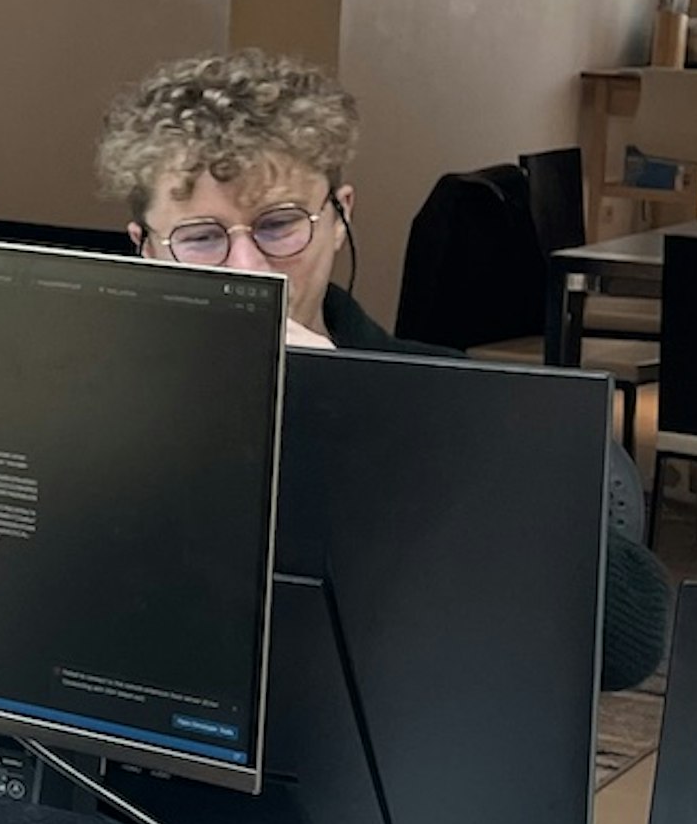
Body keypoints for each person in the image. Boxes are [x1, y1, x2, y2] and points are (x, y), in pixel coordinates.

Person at [95, 51, 668, 689]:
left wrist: (376, 417)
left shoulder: (455, 397)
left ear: (339, 218)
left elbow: (629, 644)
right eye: (202, 238)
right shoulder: (95, 406)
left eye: (280, 226)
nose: (247, 270)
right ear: (145, 249)